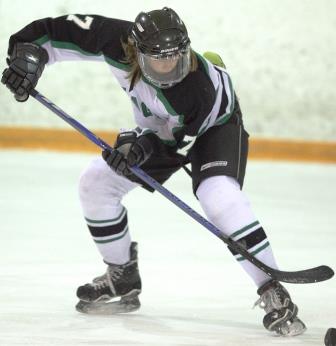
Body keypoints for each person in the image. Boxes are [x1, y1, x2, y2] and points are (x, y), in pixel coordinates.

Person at [1, 7, 306, 336]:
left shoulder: (197, 89)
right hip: (160, 130)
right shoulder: (115, 39)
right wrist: (28, 56)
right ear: (136, 51)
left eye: (176, 57)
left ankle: (272, 289)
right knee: (96, 184)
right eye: (158, 59)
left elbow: (173, 143)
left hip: (215, 126)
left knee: (217, 195)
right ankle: (122, 275)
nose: (169, 66)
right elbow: (56, 32)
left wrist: (137, 148)